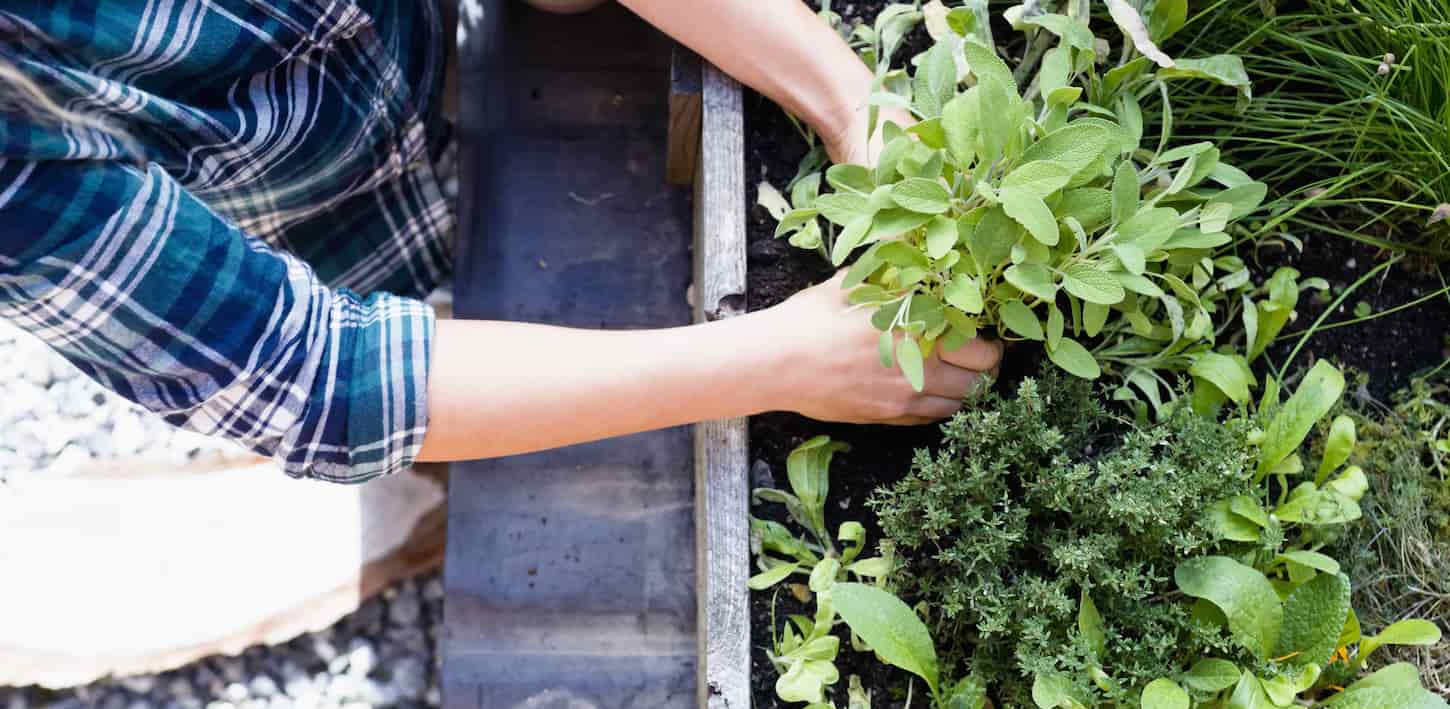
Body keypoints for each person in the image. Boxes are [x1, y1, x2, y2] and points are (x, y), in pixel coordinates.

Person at [0, 1, 1002, 484]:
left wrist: (847, 98)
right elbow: (317, 376)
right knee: (462, 432)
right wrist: (786, 355)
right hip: (339, 230)